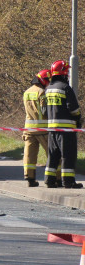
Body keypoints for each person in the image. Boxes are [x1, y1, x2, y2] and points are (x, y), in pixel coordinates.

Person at [44, 59, 83, 189]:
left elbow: (44, 110)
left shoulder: (48, 89)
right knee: (68, 155)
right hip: (66, 130)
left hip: (51, 130)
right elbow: (74, 109)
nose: (68, 74)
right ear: (63, 73)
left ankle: (49, 180)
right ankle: (68, 182)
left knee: (53, 155)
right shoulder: (66, 88)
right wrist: (78, 119)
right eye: (67, 72)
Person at [22, 68, 50, 187]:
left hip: (28, 129)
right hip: (42, 129)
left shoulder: (27, 92)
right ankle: (56, 178)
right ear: (43, 80)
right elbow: (44, 111)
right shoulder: (41, 92)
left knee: (29, 154)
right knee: (52, 153)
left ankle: (30, 178)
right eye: (48, 80)